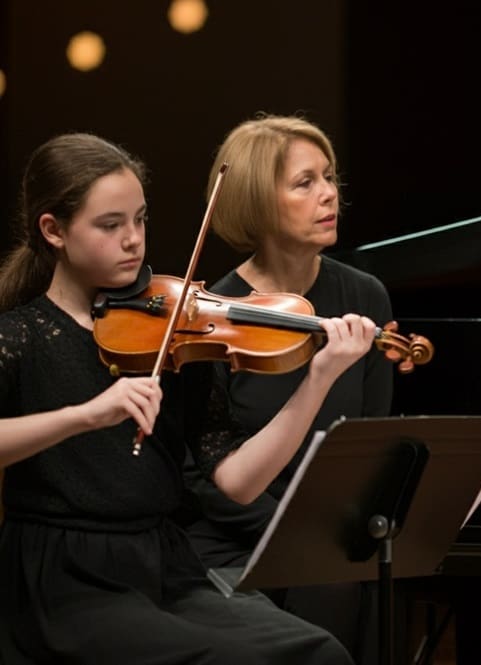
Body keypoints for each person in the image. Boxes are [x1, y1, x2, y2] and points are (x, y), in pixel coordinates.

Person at [0, 131, 378, 664]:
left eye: (140, 219)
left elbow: (239, 482)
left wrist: (319, 378)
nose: (133, 239)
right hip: (67, 581)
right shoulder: (21, 337)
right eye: (111, 225)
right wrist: (84, 415)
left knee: (319, 652)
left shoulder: (173, 330)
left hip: (166, 569)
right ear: (53, 230)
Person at [182, 115, 393, 664]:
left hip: (329, 534)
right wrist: (288, 532)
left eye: (330, 178)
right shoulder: (213, 314)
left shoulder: (364, 295)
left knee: (343, 578)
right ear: (257, 201)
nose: (328, 195)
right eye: (305, 183)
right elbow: (202, 478)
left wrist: (323, 532)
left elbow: (367, 444)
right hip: (235, 537)